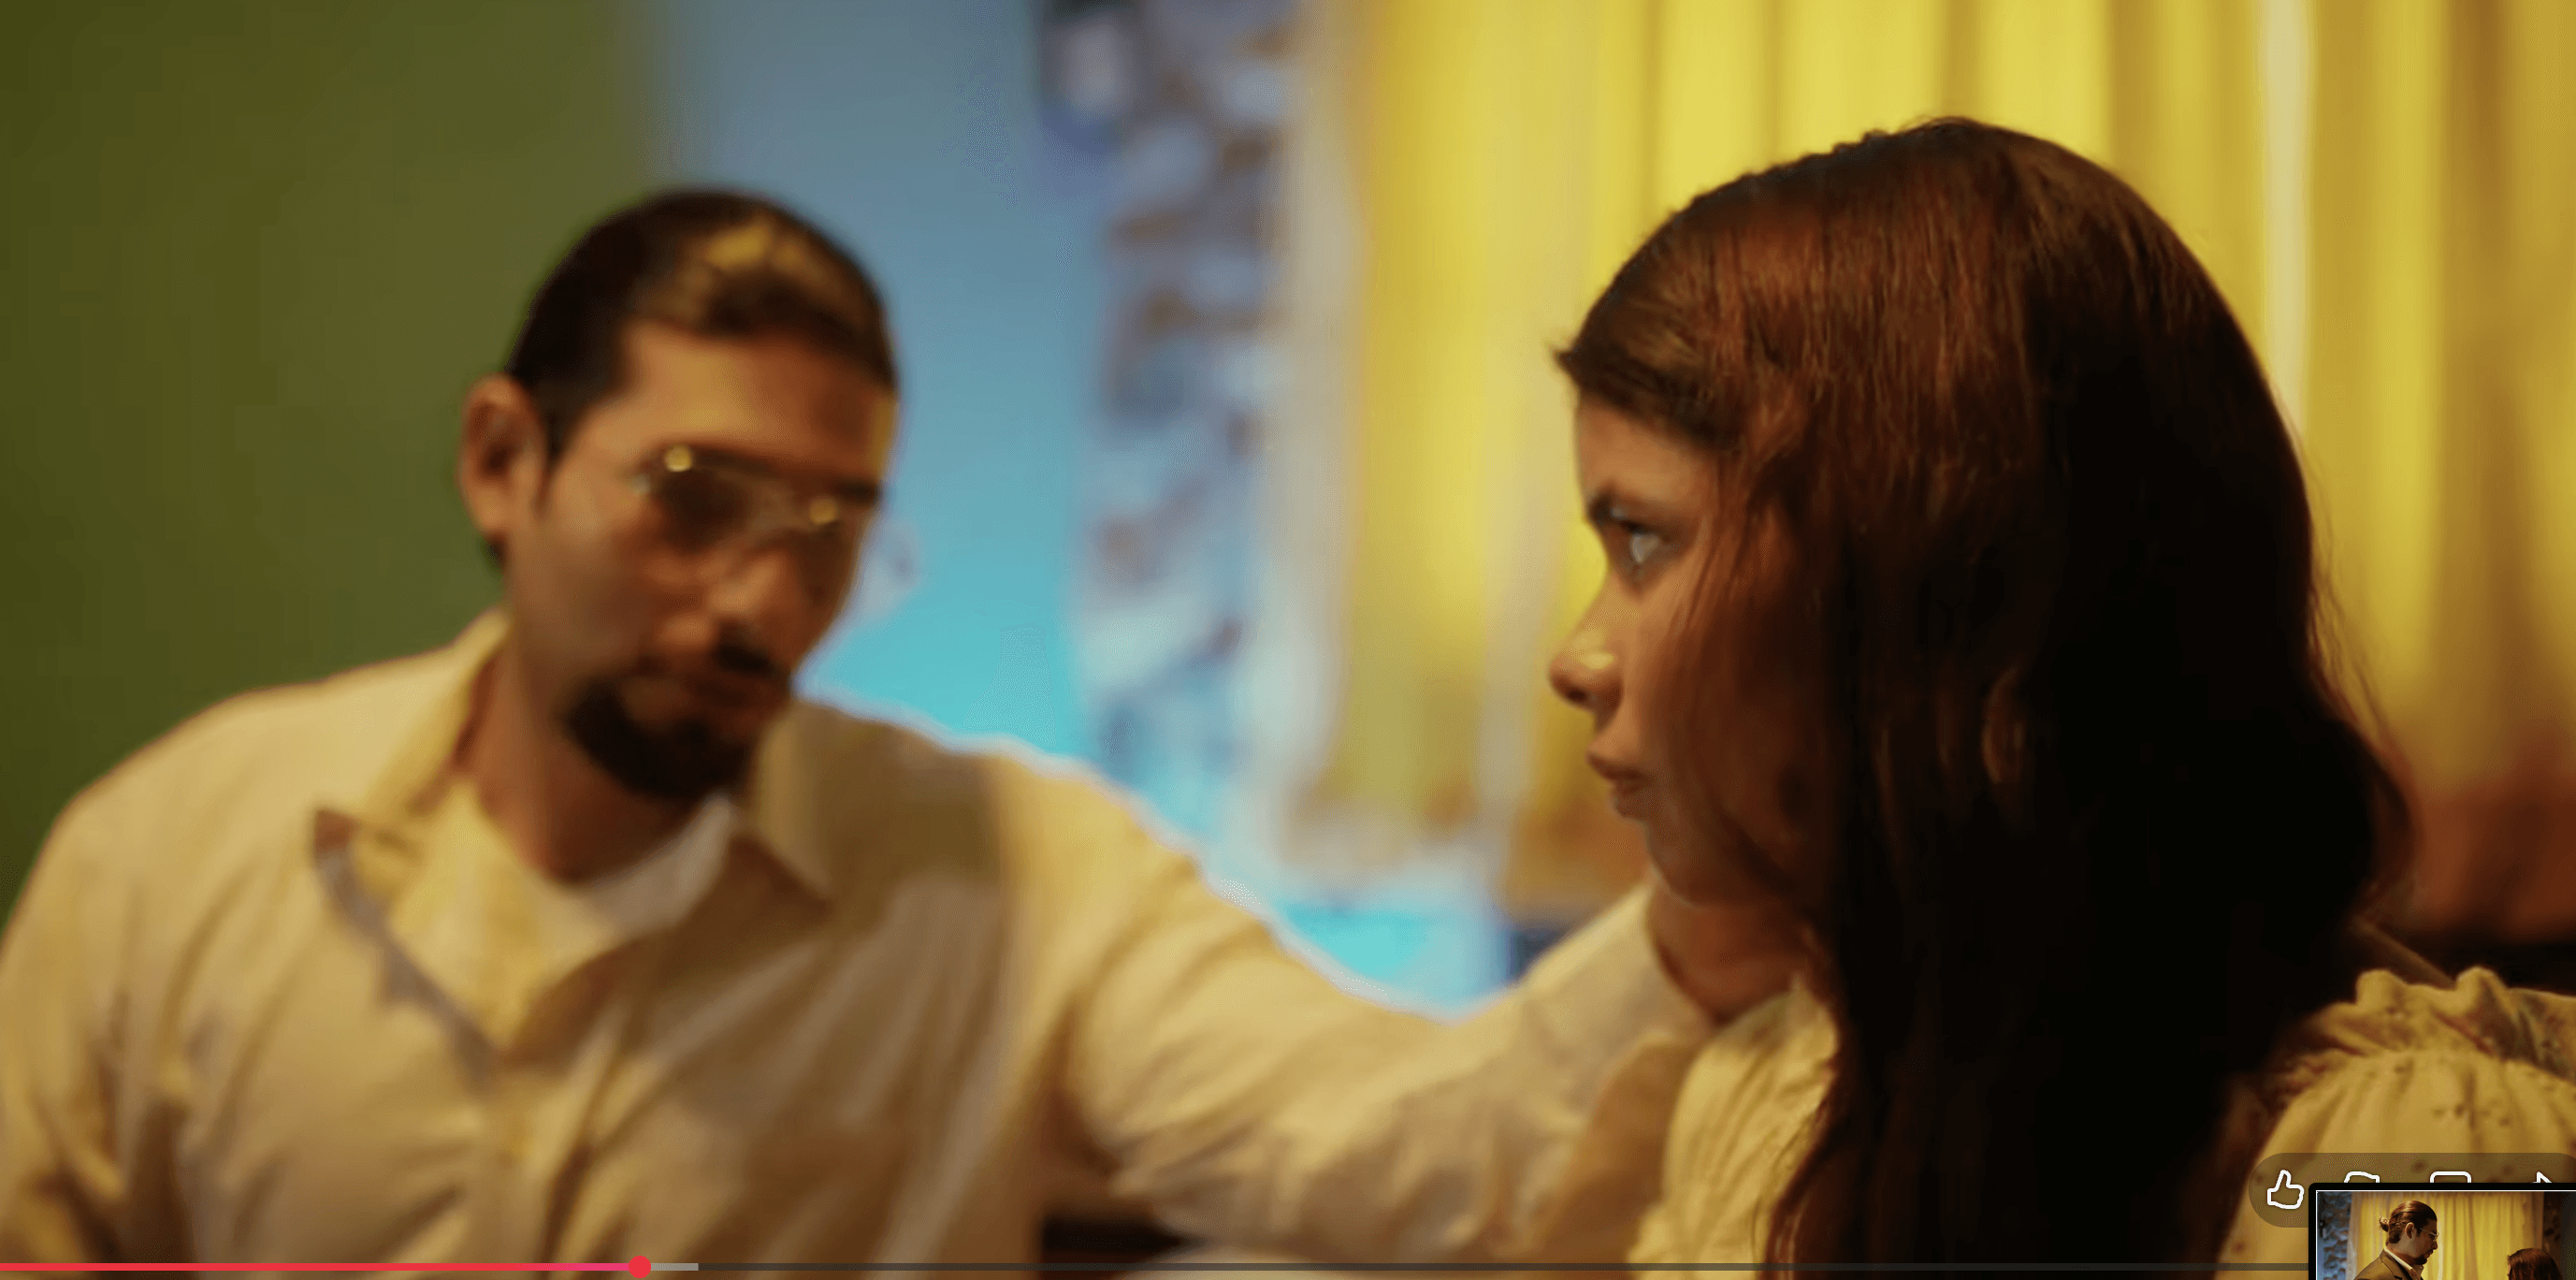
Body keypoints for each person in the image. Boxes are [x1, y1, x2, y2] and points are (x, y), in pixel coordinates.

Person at [0, 190, 1724, 1266]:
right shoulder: (179, 847)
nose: (759, 600)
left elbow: (1396, 1158)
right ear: (500, 462)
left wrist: (1713, 917)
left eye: (825, 531)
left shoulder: (1008, 878)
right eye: (693, 499)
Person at [1540, 120, 2576, 1271]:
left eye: (1642, 541)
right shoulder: (1767, 1092)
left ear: (1926, 586)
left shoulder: (2421, 1163)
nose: (1577, 658)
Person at [2356, 1201, 2439, 1280]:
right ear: (2410, 1231)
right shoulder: (2370, 1279)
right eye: (2431, 1236)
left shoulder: (2411, 1272)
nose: (2436, 1246)